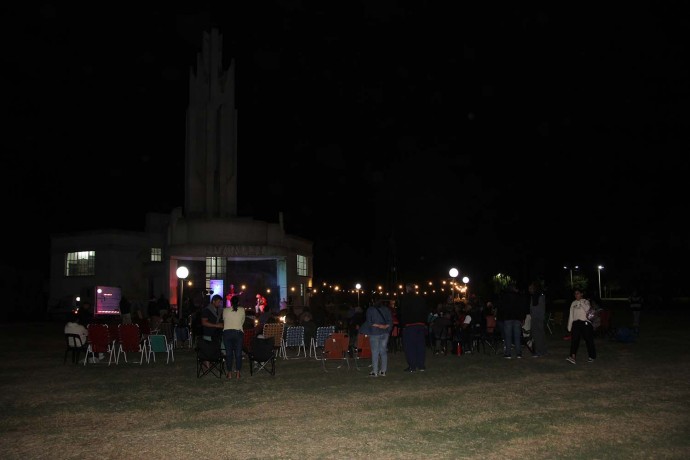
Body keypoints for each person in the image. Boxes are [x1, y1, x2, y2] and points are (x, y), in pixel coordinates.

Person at [398, 283, 428, 372]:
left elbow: (402, 313)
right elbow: (425, 311)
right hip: (421, 325)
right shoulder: (420, 298)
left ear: (407, 289)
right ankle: (421, 365)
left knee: (410, 346)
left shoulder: (405, 299)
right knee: (420, 345)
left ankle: (412, 366)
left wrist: (403, 324)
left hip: (410, 325)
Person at [566, 289, 597, 364]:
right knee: (574, 340)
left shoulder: (586, 301)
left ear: (581, 294)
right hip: (576, 323)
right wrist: (569, 326)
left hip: (585, 323)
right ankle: (572, 357)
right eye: (575, 294)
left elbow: (587, 309)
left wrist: (580, 301)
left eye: (578, 293)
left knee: (588, 340)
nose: (576, 295)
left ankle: (592, 356)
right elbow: (571, 315)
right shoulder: (573, 303)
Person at [499, 283, 528, 359]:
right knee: (517, 336)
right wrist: (523, 318)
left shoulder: (505, 296)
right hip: (517, 318)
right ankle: (518, 353)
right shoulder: (519, 296)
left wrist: (502, 317)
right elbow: (522, 307)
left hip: (508, 318)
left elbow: (502, 307)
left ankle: (508, 353)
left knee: (508, 336)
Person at [366, 301, 393, 377]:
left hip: (375, 332)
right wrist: (385, 326)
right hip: (385, 332)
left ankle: (375, 371)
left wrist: (378, 325)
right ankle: (383, 371)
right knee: (383, 351)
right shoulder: (386, 309)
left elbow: (369, 322)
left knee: (375, 352)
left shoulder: (370, 310)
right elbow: (390, 321)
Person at [222, 294, 245, 379]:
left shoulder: (225, 310)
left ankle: (229, 373)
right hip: (238, 332)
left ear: (230, 302)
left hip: (227, 333)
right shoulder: (242, 310)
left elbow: (224, 320)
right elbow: (242, 321)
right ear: (238, 302)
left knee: (229, 353)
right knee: (238, 354)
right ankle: (238, 373)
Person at [199, 294, 224, 370]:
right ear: (213, 301)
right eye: (218, 302)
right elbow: (204, 322)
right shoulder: (206, 310)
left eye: (220, 302)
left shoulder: (219, 310)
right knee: (207, 349)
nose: (219, 304)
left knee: (215, 348)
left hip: (217, 333)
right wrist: (216, 325)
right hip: (208, 332)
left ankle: (213, 361)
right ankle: (206, 364)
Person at [528, 281, 547, 357]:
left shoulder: (539, 296)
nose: (529, 290)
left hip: (537, 318)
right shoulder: (536, 296)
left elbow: (540, 309)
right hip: (537, 318)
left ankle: (539, 351)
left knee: (537, 335)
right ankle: (543, 351)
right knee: (540, 335)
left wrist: (536, 317)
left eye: (530, 288)